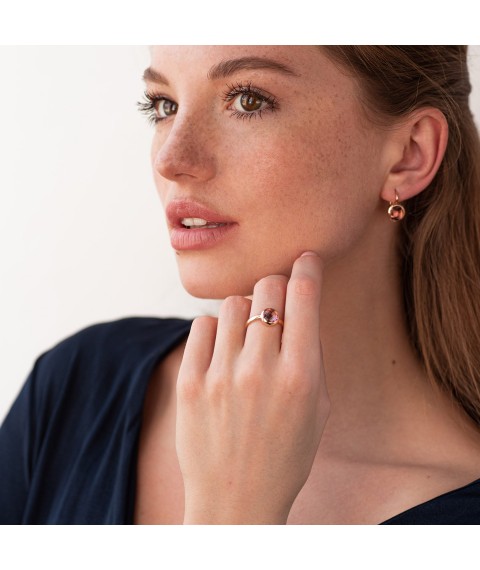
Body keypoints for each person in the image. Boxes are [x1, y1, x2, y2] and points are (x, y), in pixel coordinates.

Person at [2, 45, 480, 525]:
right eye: (164, 105)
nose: (171, 159)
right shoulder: (77, 386)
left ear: (409, 155)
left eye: (248, 100)